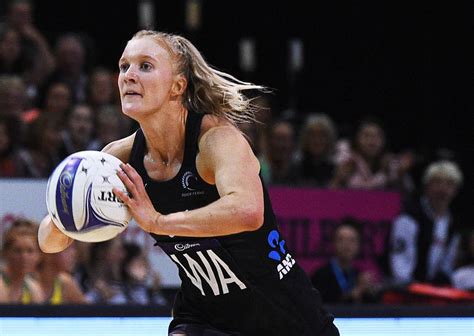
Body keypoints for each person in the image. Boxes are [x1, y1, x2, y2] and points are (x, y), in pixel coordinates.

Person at [39, 29, 339, 335]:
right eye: (123, 66)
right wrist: (65, 213)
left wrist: (158, 221)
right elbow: (48, 242)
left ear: (177, 86)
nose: (129, 75)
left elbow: (248, 211)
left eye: (145, 66)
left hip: (284, 317)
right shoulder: (119, 158)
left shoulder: (217, 140)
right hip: (203, 317)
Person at [389, 160, 463, 285]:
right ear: (427, 186)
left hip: (430, 291)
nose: (443, 189)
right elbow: (400, 261)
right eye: (437, 182)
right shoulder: (409, 217)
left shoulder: (452, 224)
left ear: (455, 191)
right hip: (404, 290)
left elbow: (446, 264)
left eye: (449, 184)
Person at [311, 218, 379, 303]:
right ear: (333, 243)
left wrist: (370, 292)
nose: (346, 245)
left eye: (352, 240)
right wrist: (355, 292)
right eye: (341, 240)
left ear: (359, 245)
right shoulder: (320, 276)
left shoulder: (359, 276)